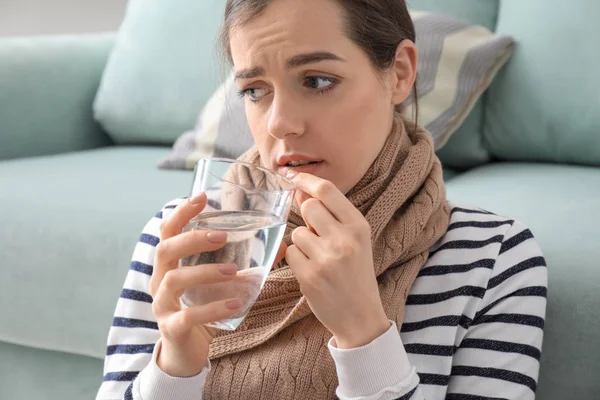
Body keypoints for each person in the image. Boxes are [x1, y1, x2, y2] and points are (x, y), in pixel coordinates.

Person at [97, 0, 547, 399]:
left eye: (316, 80)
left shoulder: (493, 258)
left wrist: (364, 335)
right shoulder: (181, 238)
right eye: (254, 90)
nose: (279, 124)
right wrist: (176, 367)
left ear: (401, 73)